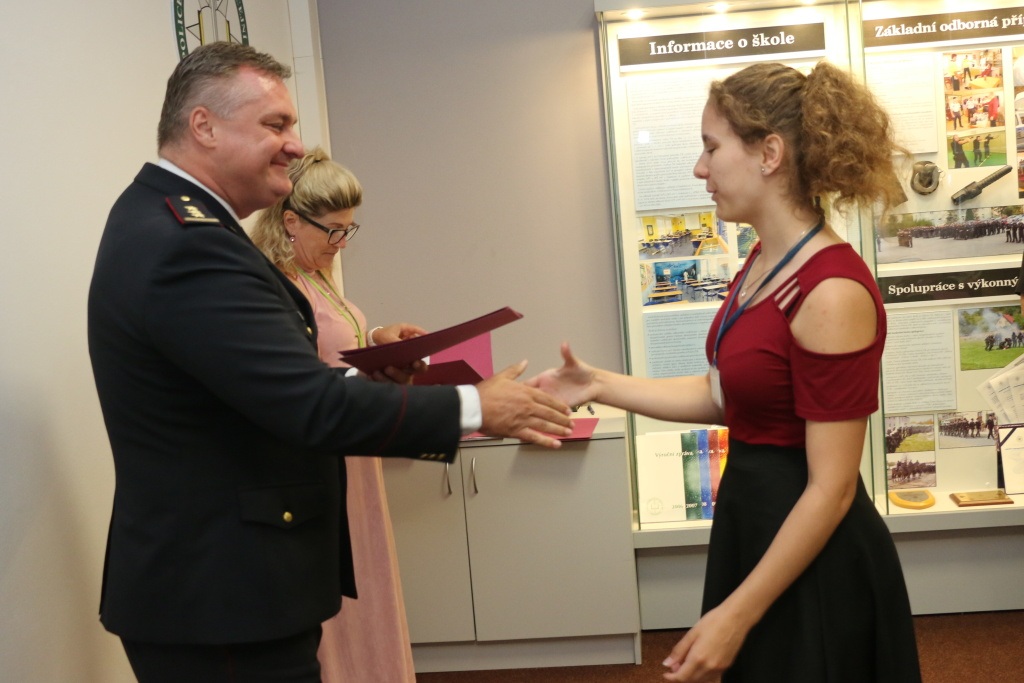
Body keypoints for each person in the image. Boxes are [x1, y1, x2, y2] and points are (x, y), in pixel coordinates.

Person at [87, 42, 572, 682]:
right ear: (204, 126)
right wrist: (477, 406)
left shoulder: (177, 223)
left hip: (222, 586)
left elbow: (258, 383)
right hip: (220, 597)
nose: (295, 145)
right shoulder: (187, 243)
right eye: (275, 125)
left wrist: (363, 375)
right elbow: (306, 405)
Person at [528, 61, 921, 682]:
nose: (699, 167)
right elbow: (725, 395)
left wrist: (738, 613)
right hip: (758, 525)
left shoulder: (831, 292)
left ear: (770, 154)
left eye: (711, 148)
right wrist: (599, 383)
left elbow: (832, 488)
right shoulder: (763, 262)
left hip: (813, 554)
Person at [250, 149, 419, 682]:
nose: (342, 242)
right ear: (291, 222)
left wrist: (378, 338)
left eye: (350, 229)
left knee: (368, 579)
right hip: (325, 458)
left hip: (354, 453)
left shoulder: (317, 274)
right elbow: (298, 382)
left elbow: (334, 344)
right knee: (339, 595)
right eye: (334, 230)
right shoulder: (278, 286)